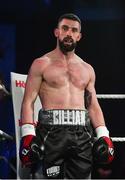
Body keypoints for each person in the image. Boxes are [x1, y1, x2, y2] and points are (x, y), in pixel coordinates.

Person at [19, 13, 114, 179]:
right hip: (51, 133)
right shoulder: (41, 64)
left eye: (74, 30)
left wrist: (103, 135)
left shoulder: (87, 69)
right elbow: (28, 101)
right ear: (57, 32)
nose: (69, 33)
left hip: (82, 134)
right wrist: (28, 134)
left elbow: (92, 105)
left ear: (79, 36)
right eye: (65, 28)